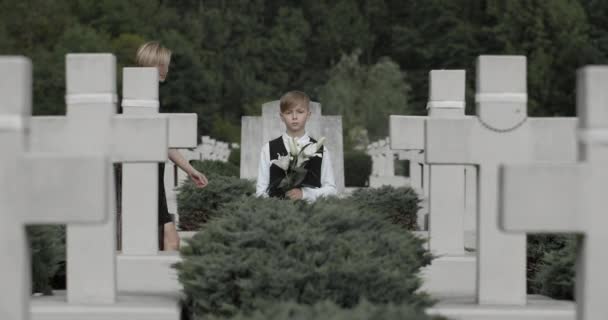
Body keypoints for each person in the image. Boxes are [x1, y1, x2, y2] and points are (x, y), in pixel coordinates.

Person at [135, 41, 208, 250]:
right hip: (145, 174)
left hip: (152, 173)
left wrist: (191, 170)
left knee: (164, 237)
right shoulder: (141, 102)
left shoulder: (148, 99)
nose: (167, 68)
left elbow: (163, 142)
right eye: (164, 64)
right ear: (157, 66)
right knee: (170, 238)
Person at [256, 91, 337, 201]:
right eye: (289, 112)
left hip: (312, 213)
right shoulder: (268, 149)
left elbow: (331, 191)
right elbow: (261, 192)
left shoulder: (321, 150)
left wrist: (305, 194)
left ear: (308, 115)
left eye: (300, 112)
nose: (294, 117)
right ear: (282, 116)